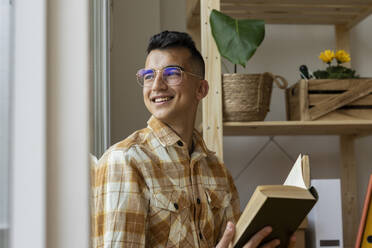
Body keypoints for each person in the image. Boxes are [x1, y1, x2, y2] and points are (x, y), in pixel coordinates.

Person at [92, 30, 296, 248]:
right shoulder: (125, 160)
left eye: (171, 73)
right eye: (149, 75)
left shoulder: (218, 170)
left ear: (201, 89)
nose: (156, 85)